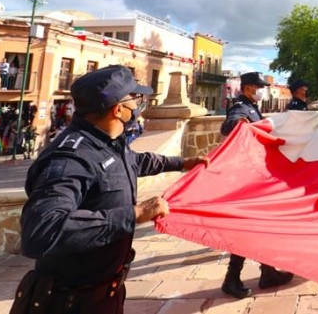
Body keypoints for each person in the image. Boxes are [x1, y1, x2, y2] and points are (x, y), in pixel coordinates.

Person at [11, 65, 209, 314]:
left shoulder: (106, 141)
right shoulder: (71, 158)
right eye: (134, 99)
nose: (137, 107)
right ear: (118, 110)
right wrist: (135, 214)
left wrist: (181, 163)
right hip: (69, 303)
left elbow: (133, 161)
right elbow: (41, 230)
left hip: (104, 294)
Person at [219, 71, 294, 298]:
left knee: (257, 225)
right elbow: (229, 124)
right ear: (250, 87)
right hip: (245, 178)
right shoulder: (241, 106)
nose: (262, 90)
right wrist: (237, 123)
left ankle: (266, 271)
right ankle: (233, 278)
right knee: (248, 227)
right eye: (259, 86)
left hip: (252, 175)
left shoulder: (251, 105)